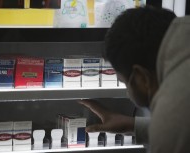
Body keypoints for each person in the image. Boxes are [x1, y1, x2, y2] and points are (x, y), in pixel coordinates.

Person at [80, 6, 190, 153]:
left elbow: (174, 130)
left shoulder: (174, 113)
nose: (128, 93)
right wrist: (133, 125)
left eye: (125, 82)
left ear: (141, 77)